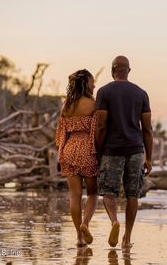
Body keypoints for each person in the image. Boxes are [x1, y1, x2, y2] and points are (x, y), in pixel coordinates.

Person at [95, 55, 153, 248]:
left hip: (112, 149)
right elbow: (147, 129)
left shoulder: (104, 92)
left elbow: (101, 125)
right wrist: (149, 158)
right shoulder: (141, 93)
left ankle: (114, 221)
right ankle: (127, 238)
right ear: (128, 71)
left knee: (108, 193)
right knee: (132, 194)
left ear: (113, 71)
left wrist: (98, 150)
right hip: (136, 150)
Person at [55, 69, 98, 247]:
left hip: (69, 149)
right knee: (93, 193)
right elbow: (97, 132)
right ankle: (84, 225)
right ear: (85, 83)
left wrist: (62, 152)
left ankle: (79, 238)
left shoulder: (66, 106)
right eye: (92, 82)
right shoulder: (94, 104)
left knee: (74, 195)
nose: (94, 85)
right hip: (87, 149)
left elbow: (60, 135)